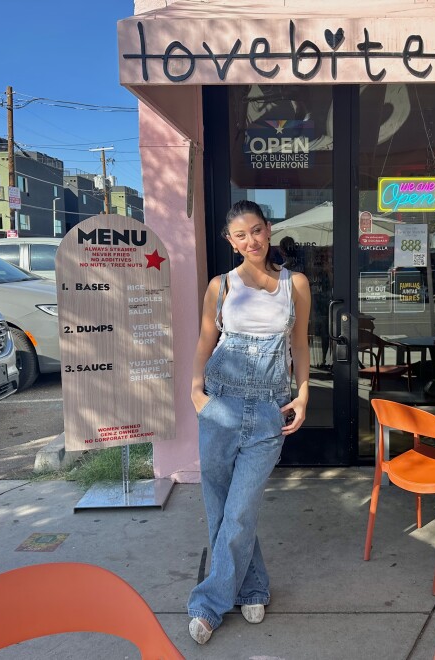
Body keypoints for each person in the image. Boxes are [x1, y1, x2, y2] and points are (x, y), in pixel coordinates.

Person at [188, 200, 311, 645]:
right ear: (230, 241)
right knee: (220, 507)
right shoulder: (220, 285)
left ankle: (208, 604)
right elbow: (206, 339)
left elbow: (300, 343)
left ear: (268, 229)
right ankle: (253, 587)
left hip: (267, 409)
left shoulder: (294, 284)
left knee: (240, 509)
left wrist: (303, 393)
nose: (251, 241)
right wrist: (196, 392)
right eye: (241, 235)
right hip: (219, 404)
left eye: (256, 230)